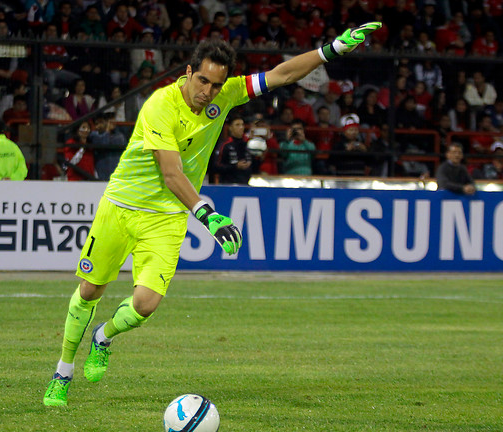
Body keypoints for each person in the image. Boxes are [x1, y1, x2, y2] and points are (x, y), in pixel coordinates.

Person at [42, 22, 383, 407]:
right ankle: (62, 371)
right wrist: (208, 213)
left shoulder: (228, 94)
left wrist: (331, 50)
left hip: (167, 217)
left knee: (145, 305)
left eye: (217, 85)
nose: (208, 92)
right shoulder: (160, 105)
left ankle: (103, 336)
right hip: (121, 207)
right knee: (90, 291)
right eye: (203, 81)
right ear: (188, 73)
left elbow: (283, 74)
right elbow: (171, 173)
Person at [212, 114, 252, 184]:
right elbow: (215, 167)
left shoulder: (248, 144)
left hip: (245, 184)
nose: (241, 127)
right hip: (228, 185)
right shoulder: (225, 145)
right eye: (237, 125)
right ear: (230, 128)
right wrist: (235, 166)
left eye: (242, 125)